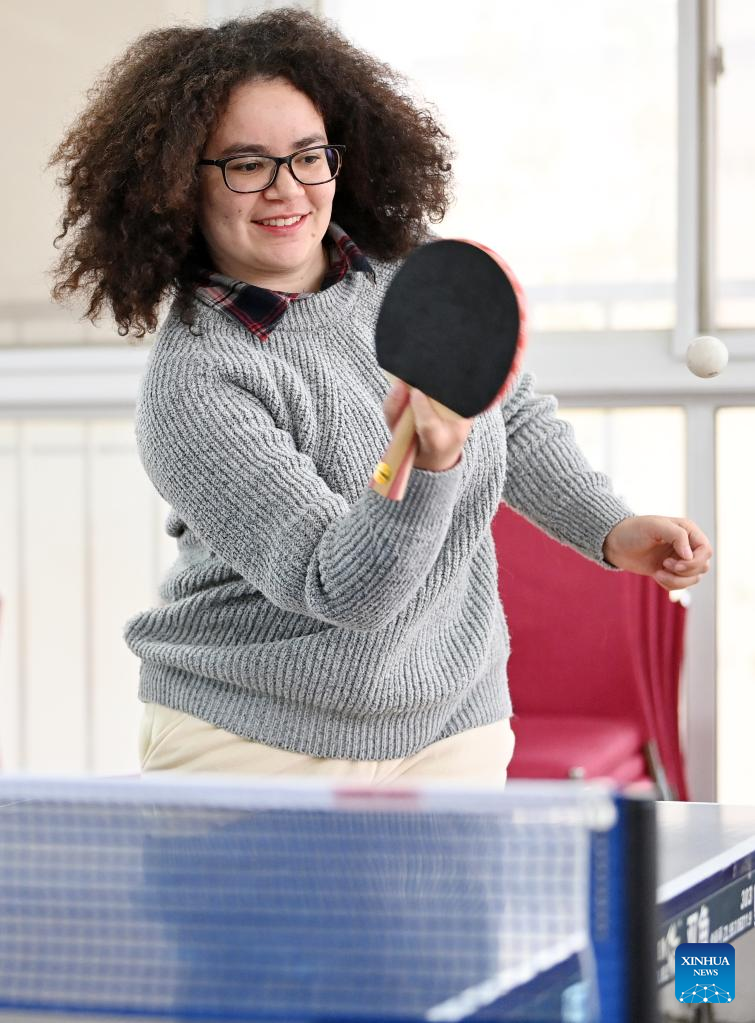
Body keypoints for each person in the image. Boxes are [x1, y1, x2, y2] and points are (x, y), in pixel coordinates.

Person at [50, 9, 712, 785]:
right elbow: (342, 586)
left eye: (307, 156)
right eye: (245, 164)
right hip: (256, 739)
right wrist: (429, 468)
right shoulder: (196, 384)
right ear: (175, 187)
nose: (285, 189)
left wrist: (612, 528)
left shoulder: (409, 275)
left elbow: (511, 415)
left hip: (451, 720)